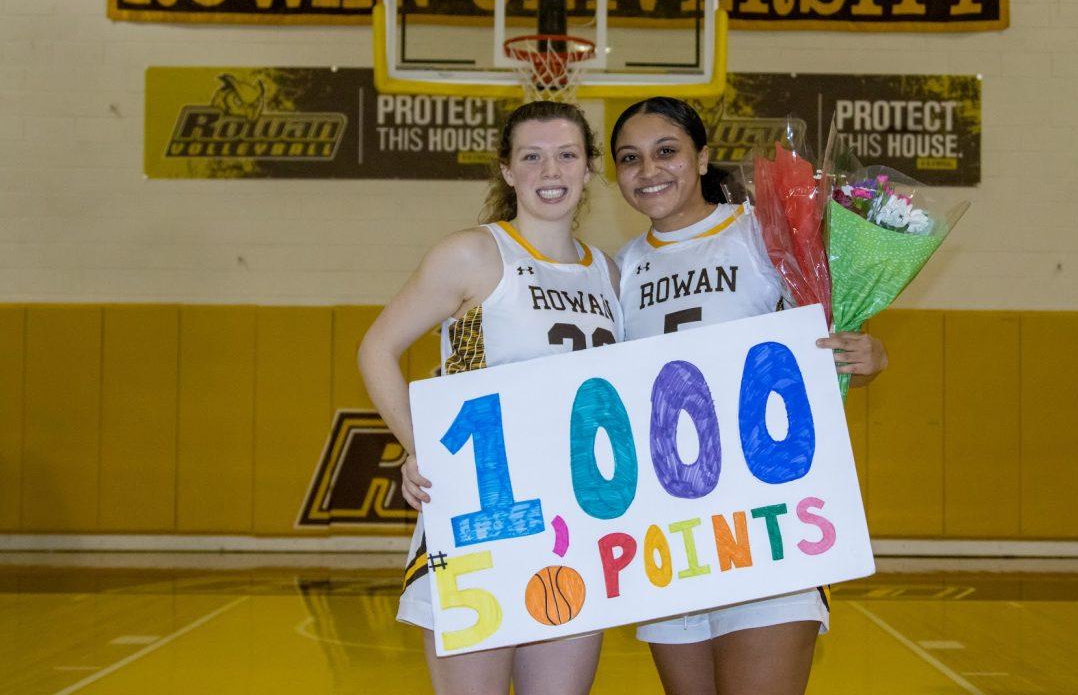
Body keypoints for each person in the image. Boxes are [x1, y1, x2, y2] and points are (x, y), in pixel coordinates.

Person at [609, 96, 887, 695]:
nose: (649, 170)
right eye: (630, 159)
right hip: (670, 532)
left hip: (768, 519)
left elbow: (829, 342)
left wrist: (869, 356)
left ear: (703, 156)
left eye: (667, 151)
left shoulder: (764, 235)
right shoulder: (617, 271)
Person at [357, 100, 621, 695]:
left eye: (566, 156)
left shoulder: (608, 272)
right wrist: (420, 447)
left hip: (573, 524)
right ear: (507, 171)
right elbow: (377, 348)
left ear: (587, 170)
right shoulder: (474, 253)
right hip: (480, 518)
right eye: (532, 156)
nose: (549, 171)